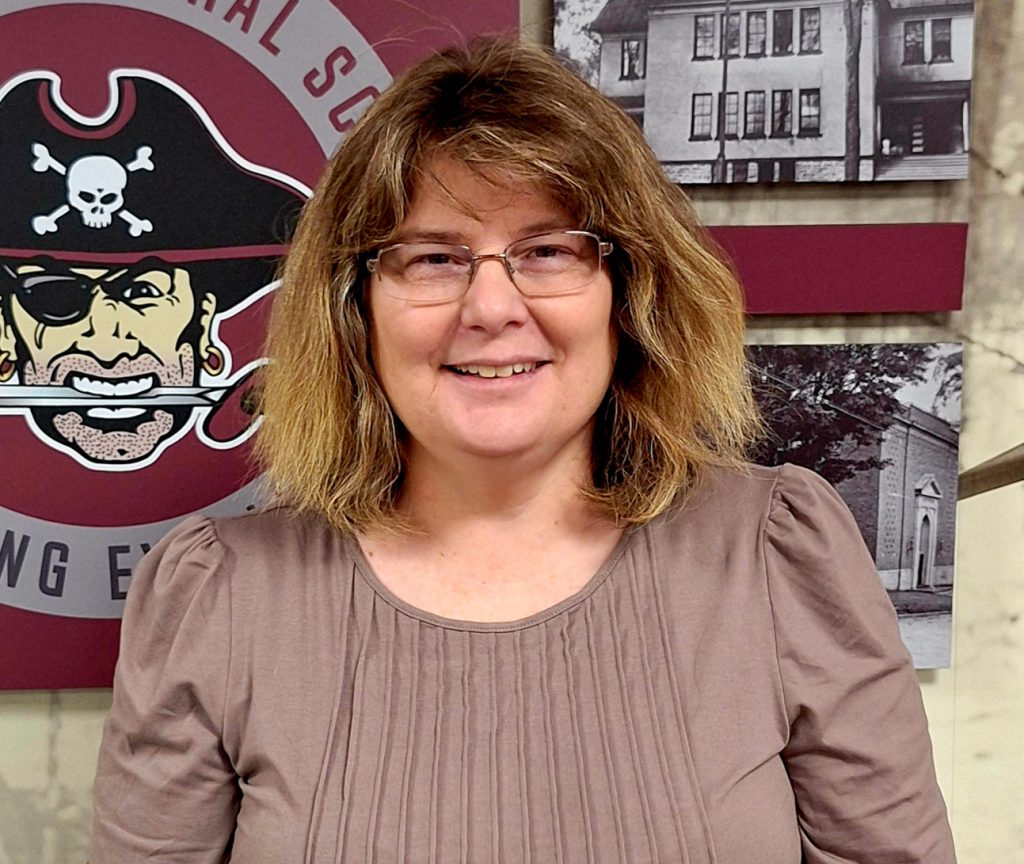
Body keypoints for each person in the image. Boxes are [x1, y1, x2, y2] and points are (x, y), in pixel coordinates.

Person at [89, 40, 956, 863]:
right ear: (356, 310)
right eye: (432, 257)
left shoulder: (776, 554)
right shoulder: (220, 598)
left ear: (630, 293)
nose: (492, 306)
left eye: (547, 250)